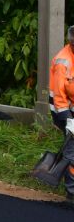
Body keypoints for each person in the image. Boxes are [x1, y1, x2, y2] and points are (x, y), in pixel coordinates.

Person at [47, 25, 74, 203]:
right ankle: (71, 191)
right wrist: (68, 120)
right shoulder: (62, 61)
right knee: (72, 151)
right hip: (63, 111)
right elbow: (59, 95)